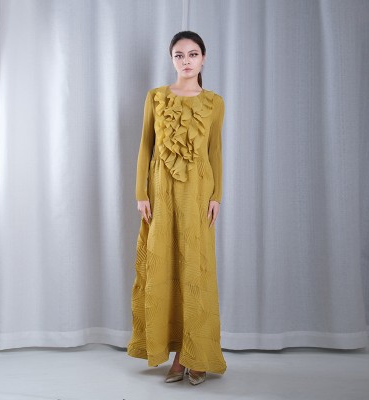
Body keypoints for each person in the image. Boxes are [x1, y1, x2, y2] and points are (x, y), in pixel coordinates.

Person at [127, 30, 227, 386]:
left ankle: (193, 355)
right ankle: (173, 353)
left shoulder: (214, 102)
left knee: (194, 270)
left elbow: (215, 151)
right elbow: (145, 145)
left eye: (193, 54)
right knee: (163, 265)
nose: (186, 61)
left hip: (198, 191)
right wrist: (141, 193)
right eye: (179, 55)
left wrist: (217, 196)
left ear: (203, 59)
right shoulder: (155, 97)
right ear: (172, 60)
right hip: (160, 190)